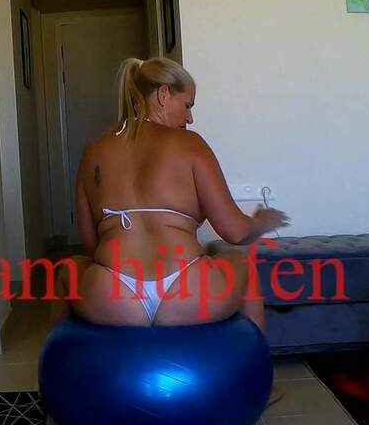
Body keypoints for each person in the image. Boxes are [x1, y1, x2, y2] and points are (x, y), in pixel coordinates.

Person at [52, 57, 290, 336]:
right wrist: (262, 221)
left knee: (69, 268)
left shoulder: (93, 151)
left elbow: (91, 245)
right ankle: (259, 363)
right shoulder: (191, 144)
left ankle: (56, 360)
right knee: (242, 264)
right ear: (163, 95)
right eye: (187, 105)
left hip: (112, 295)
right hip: (188, 291)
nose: (190, 118)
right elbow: (235, 232)